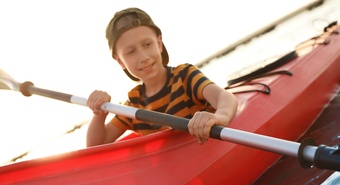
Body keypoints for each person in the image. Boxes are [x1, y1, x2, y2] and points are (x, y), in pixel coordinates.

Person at [86, 7, 237, 147]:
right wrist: (99, 113)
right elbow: (95, 145)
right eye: (131, 52)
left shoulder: (185, 77)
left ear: (159, 43)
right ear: (120, 61)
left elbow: (224, 97)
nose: (143, 57)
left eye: (147, 44)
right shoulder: (134, 105)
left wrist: (221, 116)